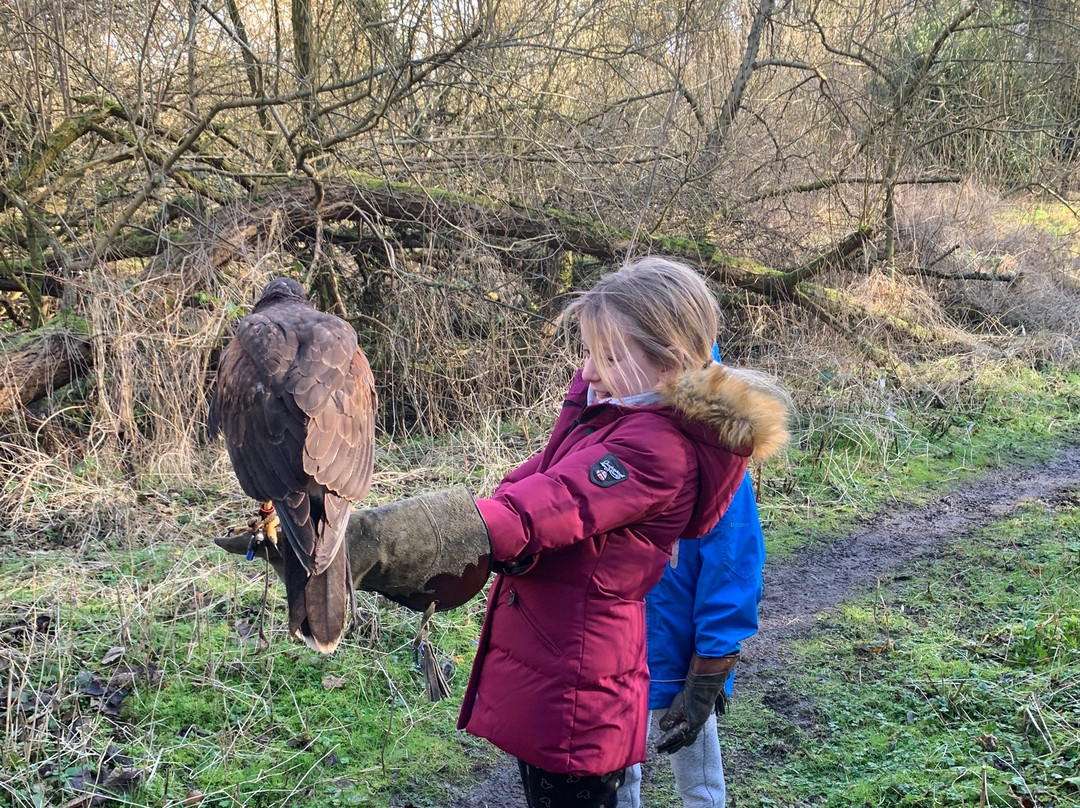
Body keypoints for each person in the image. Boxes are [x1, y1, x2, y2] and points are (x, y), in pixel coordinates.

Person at [215, 257, 789, 808]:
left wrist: (365, 544)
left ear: (668, 362)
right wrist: (581, 399)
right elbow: (536, 480)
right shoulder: (615, 411)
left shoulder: (654, 449)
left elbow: (537, 510)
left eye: (606, 356)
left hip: (580, 690)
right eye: (586, 354)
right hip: (560, 669)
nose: (587, 371)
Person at [616, 460, 765, 808]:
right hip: (608, 648)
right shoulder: (602, 431)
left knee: (700, 785)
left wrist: (709, 665)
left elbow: (734, 566)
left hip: (682, 657)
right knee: (613, 778)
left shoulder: (716, 456)